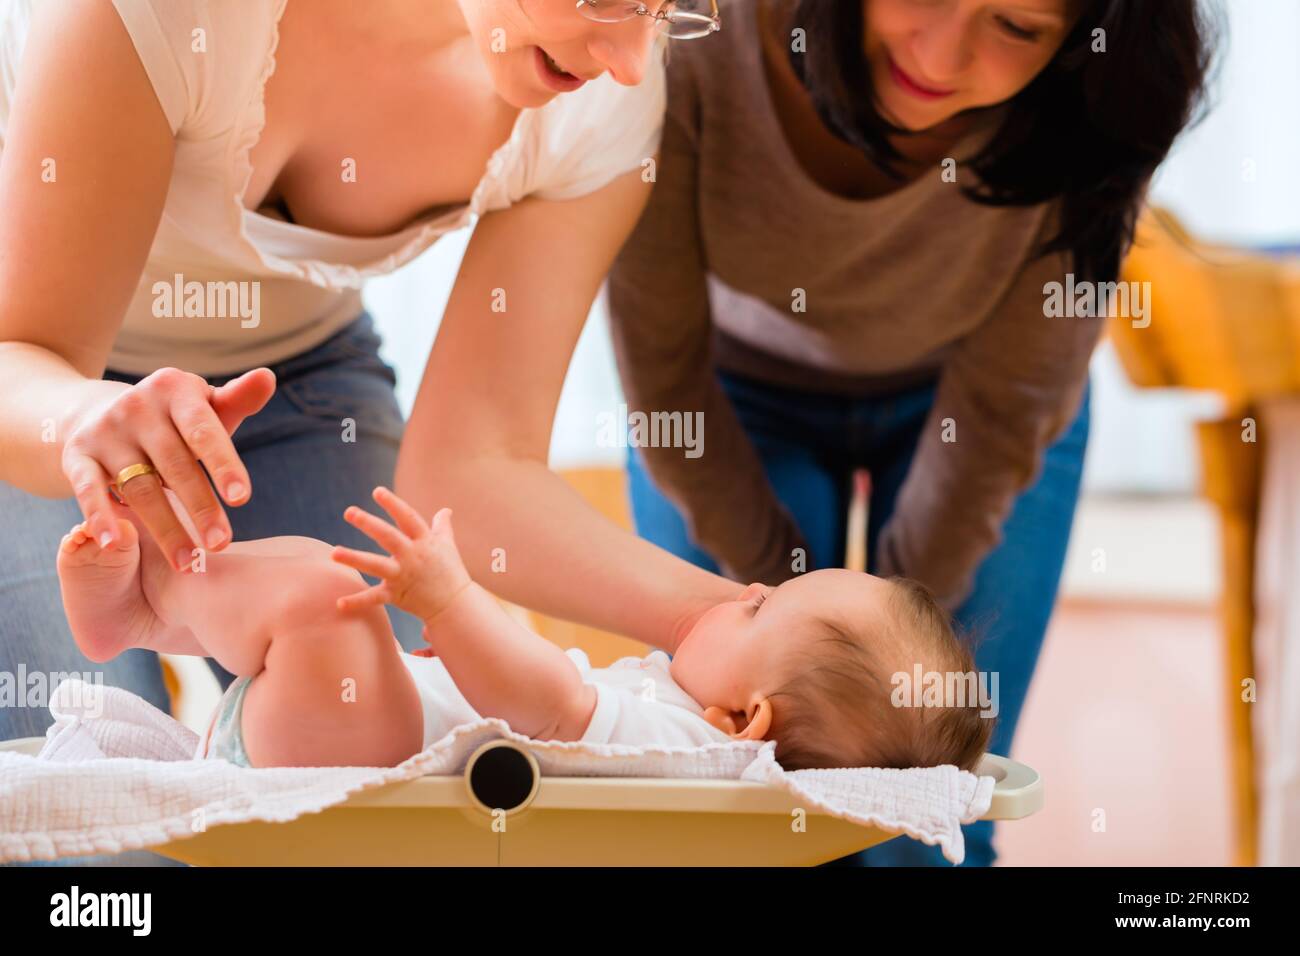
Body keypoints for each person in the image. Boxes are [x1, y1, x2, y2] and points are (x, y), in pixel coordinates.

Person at [605, 0, 1213, 865]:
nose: (941, 54)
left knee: (927, 812)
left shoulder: (1102, 104)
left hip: (979, 409)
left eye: (1017, 27)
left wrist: (883, 656)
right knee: (732, 791)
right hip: (726, 398)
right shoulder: (698, 36)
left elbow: (1003, 410)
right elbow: (665, 373)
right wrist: (783, 612)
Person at [54, 484, 990, 775]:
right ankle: (155, 612)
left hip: (353, 765)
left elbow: (546, 699)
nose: (741, 587)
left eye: (760, 607)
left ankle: (147, 609)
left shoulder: (682, 753)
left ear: (746, 719)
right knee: (320, 585)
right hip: (348, 737)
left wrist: (451, 599)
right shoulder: (682, 711)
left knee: (316, 595)